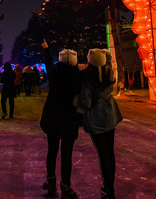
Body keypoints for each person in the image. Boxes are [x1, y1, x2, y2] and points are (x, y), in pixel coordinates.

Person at [78, 49, 123, 199]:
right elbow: (109, 63)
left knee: (103, 154)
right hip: (110, 115)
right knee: (110, 152)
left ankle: (108, 189)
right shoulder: (108, 73)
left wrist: (78, 110)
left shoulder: (87, 77)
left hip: (95, 119)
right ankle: (110, 186)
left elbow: (85, 101)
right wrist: (107, 55)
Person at [40, 40, 81, 198]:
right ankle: (65, 186)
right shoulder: (78, 76)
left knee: (52, 151)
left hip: (53, 118)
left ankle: (51, 183)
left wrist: (46, 49)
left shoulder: (54, 73)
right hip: (69, 119)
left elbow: (48, 62)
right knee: (66, 155)